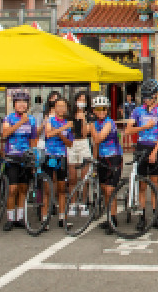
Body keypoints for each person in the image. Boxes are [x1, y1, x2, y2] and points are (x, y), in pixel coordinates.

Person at [125, 79, 158, 229]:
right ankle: (142, 217)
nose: (146, 99)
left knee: (154, 184)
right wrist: (144, 127)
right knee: (142, 185)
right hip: (141, 147)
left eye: (149, 96)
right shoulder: (137, 111)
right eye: (144, 96)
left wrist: (155, 152)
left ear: (155, 96)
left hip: (154, 148)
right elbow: (128, 130)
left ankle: (155, 216)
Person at [1, 91, 38, 231]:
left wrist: (34, 157)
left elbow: (33, 139)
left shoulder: (32, 120)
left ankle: (20, 217)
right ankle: (10, 218)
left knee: (23, 189)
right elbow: (4, 134)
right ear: (14, 104)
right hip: (12, 157)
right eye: (19, 102)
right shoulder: (8, 118)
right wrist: (21, 122)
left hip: (26, 158)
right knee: (13, 189)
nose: (22, 105)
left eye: (24, 102)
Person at [89, 95, 122, 234]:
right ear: (94, 110)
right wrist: (94, 161)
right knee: (104, 190)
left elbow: (98, 139)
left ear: (107, 110)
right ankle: (109, 217)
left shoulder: (109, 123)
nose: (101, 111)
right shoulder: (96, 123)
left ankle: (113, 220)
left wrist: (90, 124)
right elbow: (95, 144)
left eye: (103, 108)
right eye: (98, 109)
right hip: (102, 158)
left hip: (113, 158)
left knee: (110, 190)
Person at [44, 98, 74, 228]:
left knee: (62, 189)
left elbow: (70, 143)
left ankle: (62, 218)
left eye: (63, 106)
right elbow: (48, 134)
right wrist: (63, 129)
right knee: (47, 189)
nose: (61, 108)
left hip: (62, 157)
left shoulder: (68, 123)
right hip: (49, 155)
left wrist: (61, 133)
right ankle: (44, 218)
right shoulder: (49, 120)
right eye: (59, 106)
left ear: (66, 108)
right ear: (54, 108)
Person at [67, 90, 92, 219]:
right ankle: (72, 204)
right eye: (79, 99)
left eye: (84, 100)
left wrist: (83, 120)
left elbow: (85, 133)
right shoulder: (70, 115)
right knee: (72, 177)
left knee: (84, 177)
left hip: (83, 143)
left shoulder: (89, 115)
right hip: (72, 144)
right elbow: (69, 130)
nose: (81, 102)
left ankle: (83, 203)